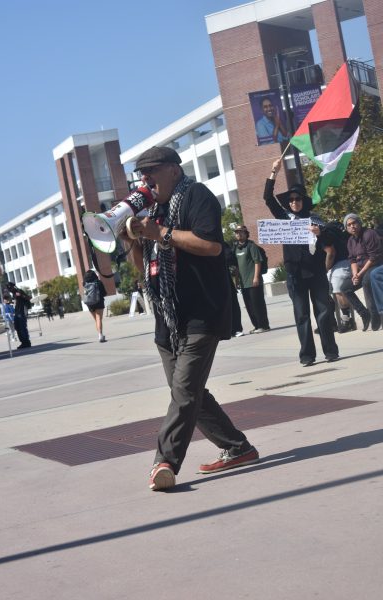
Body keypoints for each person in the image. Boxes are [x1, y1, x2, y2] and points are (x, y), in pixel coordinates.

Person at [126, 145, 259, 491]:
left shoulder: (196, 195)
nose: (146, 179)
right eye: (142, 174)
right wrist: (133, 241)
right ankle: (237, 447)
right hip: (168, 319)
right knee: (188, 392)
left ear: (172, 169)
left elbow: (211, 245)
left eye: (151, 171)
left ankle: (164, 462)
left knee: (184, 391)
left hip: (202, 311)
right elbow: (142, 269)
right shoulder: (152, 210)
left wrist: (161, 234)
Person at [264, 158, 339, 366]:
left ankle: (331, 351)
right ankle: (307, 355)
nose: (294, 202)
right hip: (295, 274)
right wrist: (273, 171)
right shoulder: (284, 219)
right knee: (301, 315)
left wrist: (320, 232)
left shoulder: (315, 219)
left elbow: (331, 241)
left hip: (316, 273)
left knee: (323, 312)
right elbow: (268, 198)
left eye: (297, 199)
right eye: (291, 199)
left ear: (303, 201)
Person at [310, 221, 370, 332]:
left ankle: (347, 320)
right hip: (344, 262)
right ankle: (330, 323)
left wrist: (325, 270)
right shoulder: (329, 229)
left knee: (337, 286)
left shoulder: (324, 234)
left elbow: (331, 253)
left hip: (342, 262)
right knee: (323, 290)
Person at [344, 213, 383, 331]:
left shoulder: (369, 234)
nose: (352, 226)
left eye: (354, 223)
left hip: (375, 265)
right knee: (345, 287)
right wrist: (355, 274)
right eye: (349, 225)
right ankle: (364, 314)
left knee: (366, 280)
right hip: (361, 269)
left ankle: (374, 314)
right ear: (346, 228)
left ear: (359, 223)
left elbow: (373, 257)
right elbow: (352, 260)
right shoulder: (350, 240)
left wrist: (360, 274)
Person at [233, 225, 270, 334]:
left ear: (246, 234)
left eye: (241, 232)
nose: (239, 234)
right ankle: (256, 325)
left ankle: (264, 325)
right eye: (237, 232)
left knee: (258, 304)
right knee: (249, 306)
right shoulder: (236, 248)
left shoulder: (251, 246)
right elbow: (236, 267)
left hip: (254, 281)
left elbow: (257, 261)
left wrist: (256, 277)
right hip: (244, 283)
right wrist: (237, 281)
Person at [224, 242, 244, 337]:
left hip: (224, 280)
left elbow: (231, 260)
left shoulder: (222, 245)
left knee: (233, 305)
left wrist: (236, 280)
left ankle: (236, 329)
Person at [83, 270, 107, 342]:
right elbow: (104, 293)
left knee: (96, 320)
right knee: (99, 318)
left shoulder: (85, 284)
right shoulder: (99, 282)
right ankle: (100, 335)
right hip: (99, 302)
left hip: (89, 303)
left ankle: (100, 334)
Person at [6, 282, 32, 349]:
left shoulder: (19, 291)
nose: (9, 290)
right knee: (17, 327)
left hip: (21, 312)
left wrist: (21, 295)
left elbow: (28, 298)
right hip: (17, 312)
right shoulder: (14, 294)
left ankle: (26, 342)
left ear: (12, 287)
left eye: (9, 288)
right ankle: (23, 342)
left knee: (22, 327)